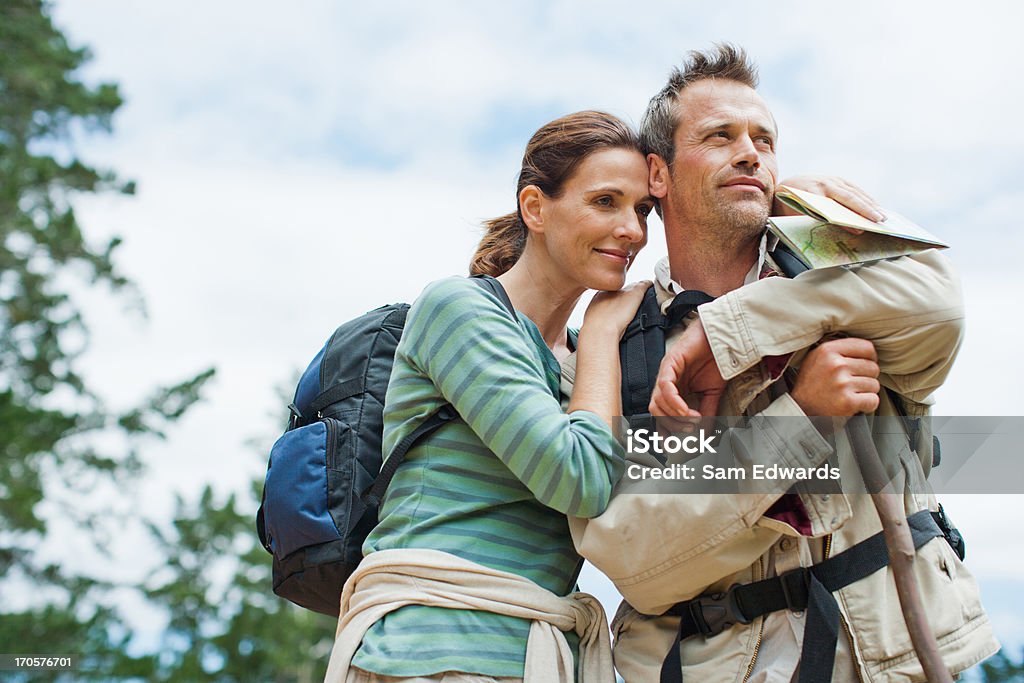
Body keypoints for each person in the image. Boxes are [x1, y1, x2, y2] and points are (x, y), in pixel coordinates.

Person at [567, 45, 999, 681]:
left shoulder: (845, 267)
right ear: (658, 175)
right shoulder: (618, 349)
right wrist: (802, 419)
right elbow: (635, 555)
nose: (750, 152)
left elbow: (943, 305)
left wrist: (726, 334)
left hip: (889, 662)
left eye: (764, 140)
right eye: (720, 136)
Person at [323, 110, 656, 683]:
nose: (633, 230)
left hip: (532, 656)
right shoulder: (461, 312)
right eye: (606, 201)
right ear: (536, 208)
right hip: (431, 649)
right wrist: (603, 333)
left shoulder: (583, 363)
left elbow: (675, 470)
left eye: (642, 209)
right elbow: (577, 478)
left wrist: (786, 208)